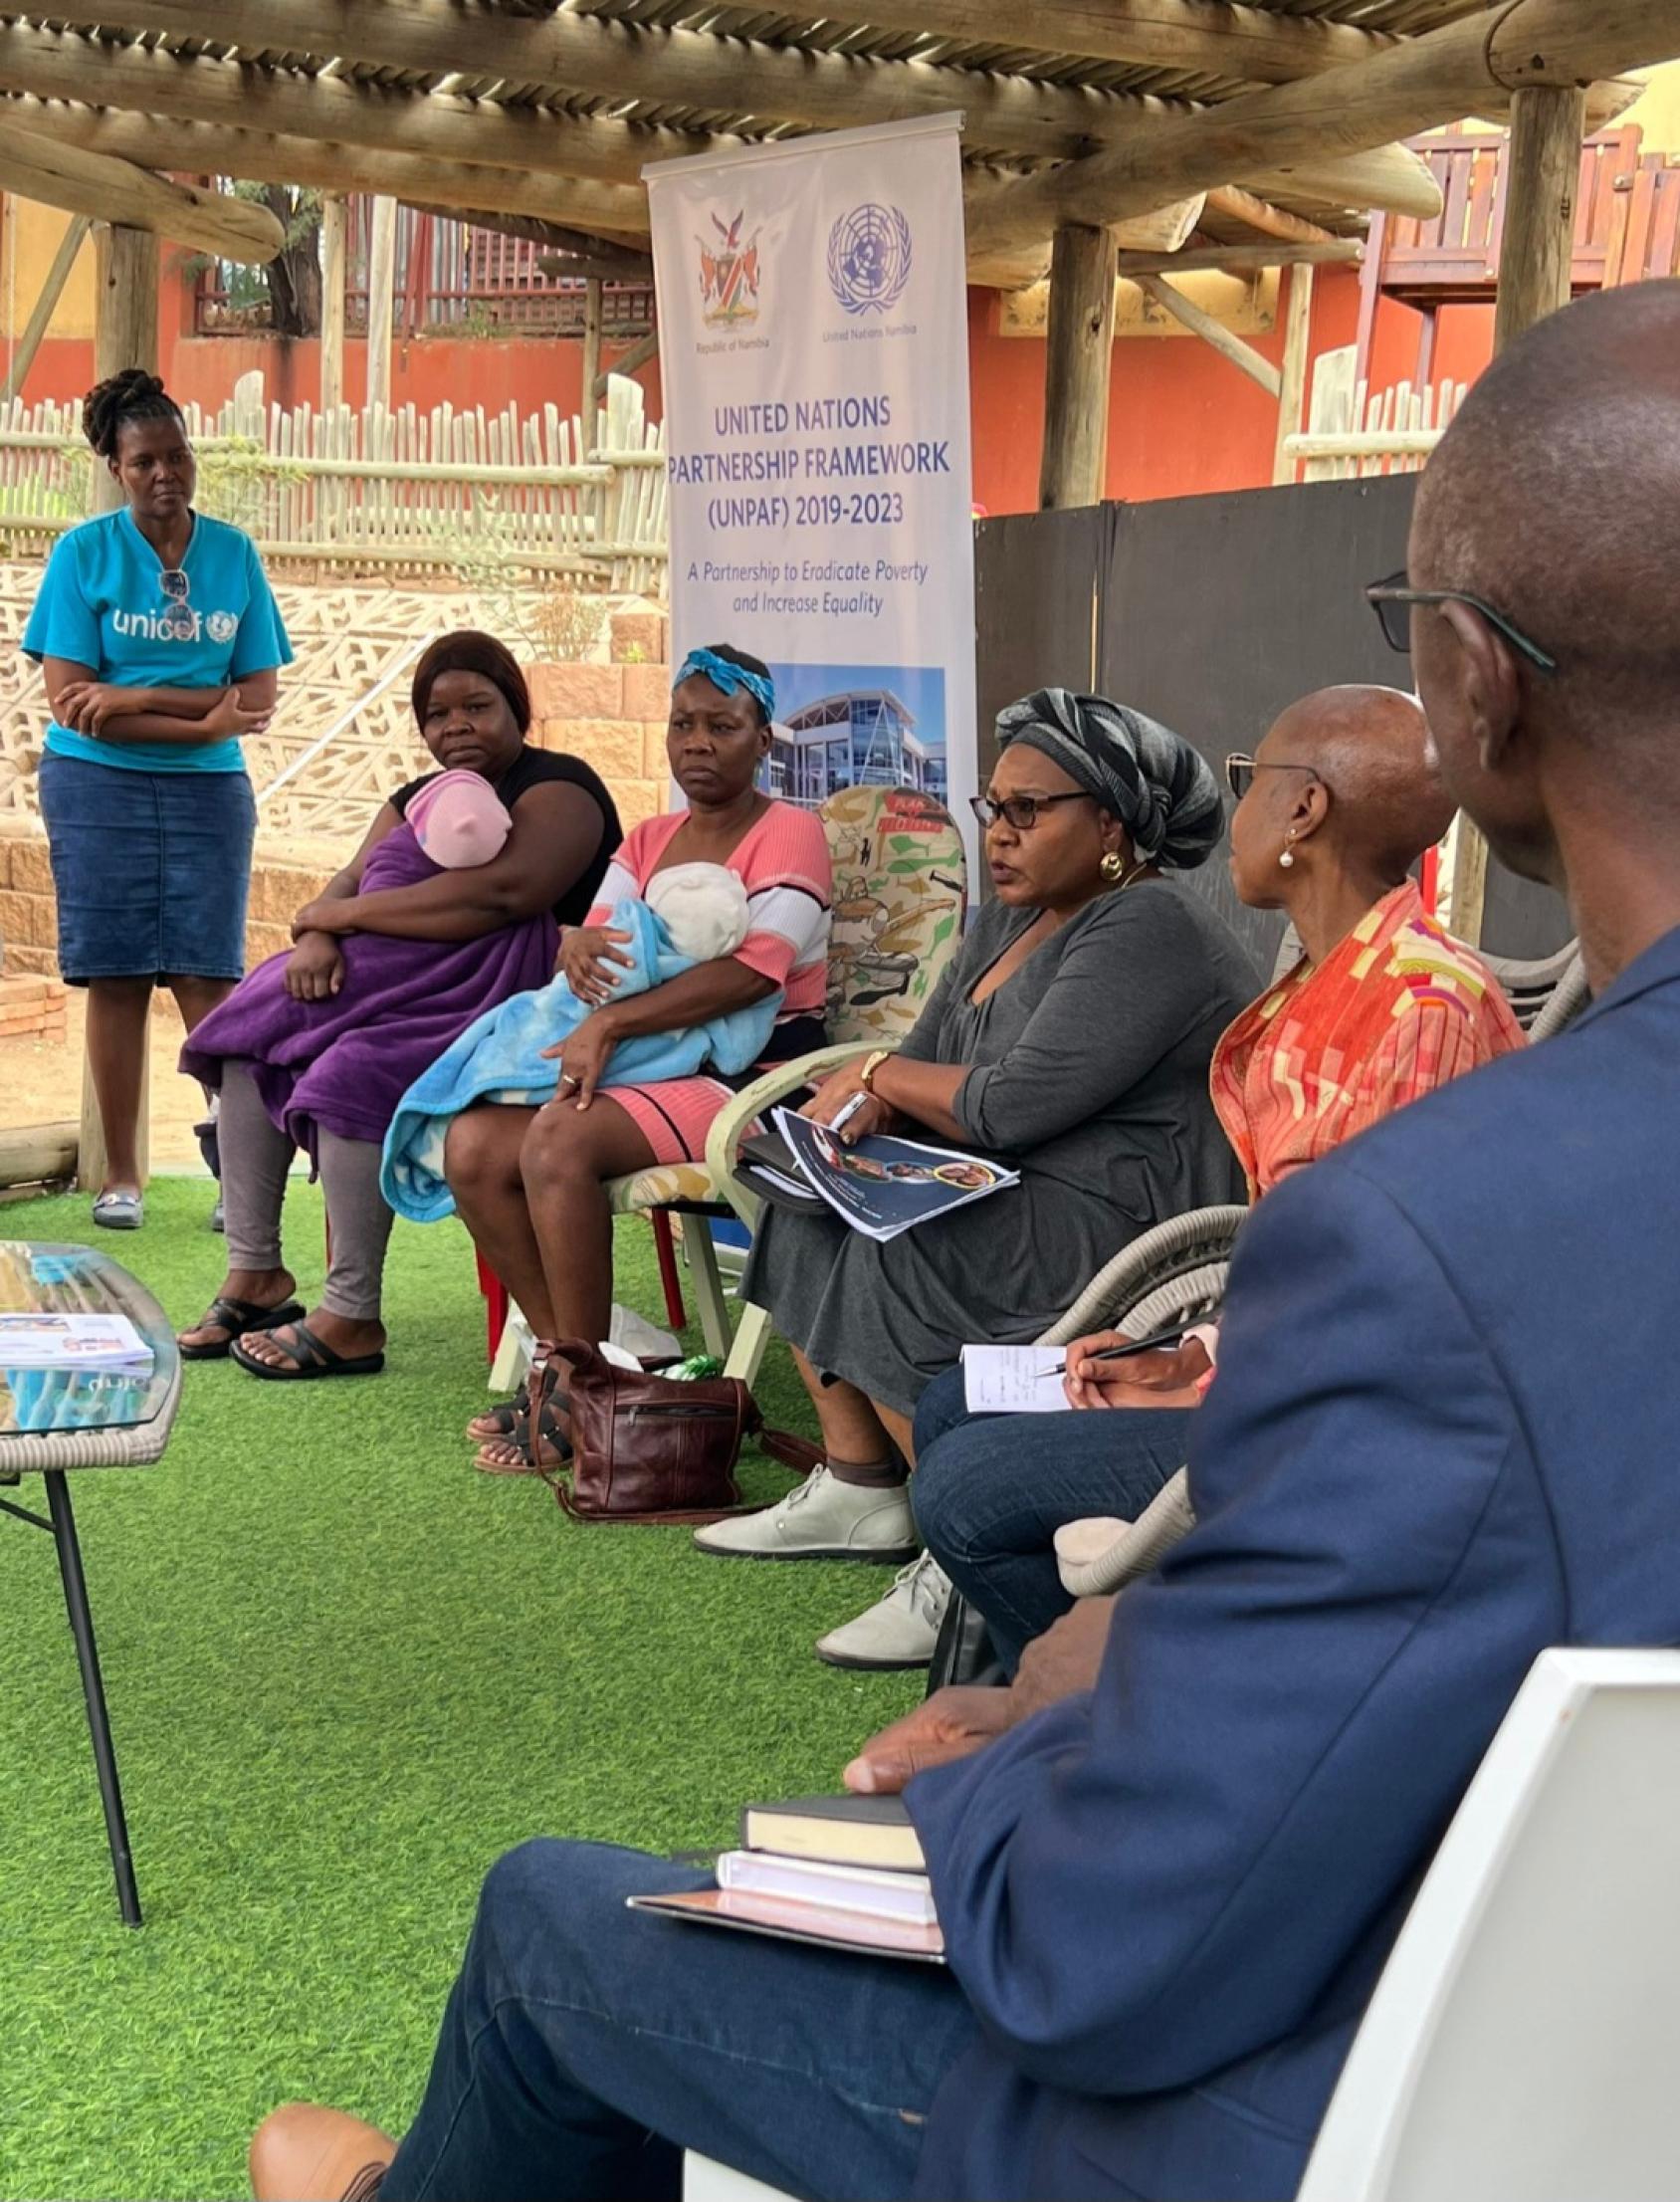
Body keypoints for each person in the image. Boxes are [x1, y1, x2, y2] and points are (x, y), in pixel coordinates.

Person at [250, 280, 1680, 2202]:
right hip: (1595, 2068)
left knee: (545, 1922)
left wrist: (1021, 1730)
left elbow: (1106, 1958)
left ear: (1476, 688)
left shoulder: (1445, 1233)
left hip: (1337, 2119)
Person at [911, 683, 1525, 1667]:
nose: (1227, 810)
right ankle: (1068, 1702)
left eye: (1246, 779)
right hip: (1263, 1368)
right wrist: (1192, 1348)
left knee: (964, 1487)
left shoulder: (1420, 1008)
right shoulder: (1322, 981)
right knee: (958, 1403)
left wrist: (1205, 1383)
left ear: (1302, 809)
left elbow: (1385, 1306)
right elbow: (1307, 1250)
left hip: (1337, 1429)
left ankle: (1133, 1709)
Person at [693, 689, 1258, 1673]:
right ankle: (862, 1483)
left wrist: (874, 1077)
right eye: (990, 807)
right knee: (804, 1200)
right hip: (1013, 1177)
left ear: (1113, 825)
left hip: (1127, 1213)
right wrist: (865, 1116)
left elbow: (1011, 1104)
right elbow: (930, 1055)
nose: (997, 833)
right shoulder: (1012, 918)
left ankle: (954, 1554)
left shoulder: (1147, 923)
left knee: (903, 1254)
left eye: (1027, 811)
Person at [174, 631, 619, 1378]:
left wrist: (339, 922)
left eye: (478, 706)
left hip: (515, 1001)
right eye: (437, 716)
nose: (458, 728)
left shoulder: (559, 786)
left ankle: (352, 1314)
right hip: (399, 982)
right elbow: (348, 882)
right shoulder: (417, 798)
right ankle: (256, 1273)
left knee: (354, 1069)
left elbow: (505, 895)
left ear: (517, 708)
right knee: (250, 1039)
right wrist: (318, 933)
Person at [443, 643, 831, 1473]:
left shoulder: (791, 832)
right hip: (649, 1065)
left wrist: (610, 1025)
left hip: (751, 1077)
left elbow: (750, 973)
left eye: (722, 726)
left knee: (559, 1140)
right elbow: (597, 953)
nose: (697, 742)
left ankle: (583, 1398)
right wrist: (578, 952)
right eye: (683, 724)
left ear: (764, 740)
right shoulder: (650, 837)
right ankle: (572, 1366)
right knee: (471, 1146)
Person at [23, 368, 292, 1230]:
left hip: (210, 794)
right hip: (95, 786)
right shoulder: (83, 555)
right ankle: (124, 1178)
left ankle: (232, 1174)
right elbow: (74, 704)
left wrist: (137, 700)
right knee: (116, 976)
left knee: (209, 977)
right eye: (145, 461)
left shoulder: (233, 555)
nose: (166, 474)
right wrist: (197, 716)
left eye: (178, 456)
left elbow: (257, 697)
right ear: (115, 466)